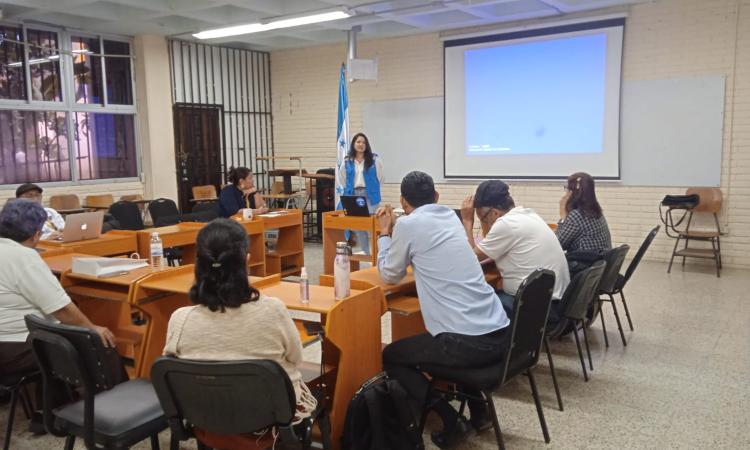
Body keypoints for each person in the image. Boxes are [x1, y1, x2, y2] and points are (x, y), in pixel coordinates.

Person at [376, 171, 510, 448]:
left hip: (468, 346)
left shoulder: (408, 225)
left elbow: (389, 274)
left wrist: (384, 233)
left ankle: (450, 418)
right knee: (456, 324)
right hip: (501, 334)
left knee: (392, 356)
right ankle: (480, 412)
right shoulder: (450, 216)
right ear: (436, 197)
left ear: (402, 200)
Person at [163, 219, 316, 448]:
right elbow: (296, 359)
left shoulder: (179, 319)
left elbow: (172, 371)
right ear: (246, 261)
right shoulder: (272, 310)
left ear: (197, 266)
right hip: (266, 424)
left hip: (208, 419)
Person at [0, 200, 116, 428]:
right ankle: (112, 411)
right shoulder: (23, 257)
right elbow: (62, 309)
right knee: (97, 342)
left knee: (57, 333)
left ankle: (50, 409)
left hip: (6, 345)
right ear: (36, 234)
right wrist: (93, 328)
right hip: (12, 348)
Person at [461, 180, 570, 317]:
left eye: (482, 219)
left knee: (470, 302)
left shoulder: (507, 224)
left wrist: (467, 221)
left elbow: (470, 259)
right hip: (553, 302)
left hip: (535, 309)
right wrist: (485, 220)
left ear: (495, 213)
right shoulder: (527, 214)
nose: (483, 223)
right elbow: (489, 238)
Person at [557, 172, 612, 275]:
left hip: (583, 270)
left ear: (572, 193)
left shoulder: (576, 215)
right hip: (599, 268)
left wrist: (563, 216)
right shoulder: (596, 211)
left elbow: (558, 244)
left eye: (567, 189)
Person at [339, 133, 383, 255]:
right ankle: (366, 252)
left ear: (366, 145)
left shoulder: (374, 159)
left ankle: (377, 254)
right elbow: (342, 178)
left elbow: (380, 178)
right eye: (358, 142)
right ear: (353, 144)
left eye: (363, 142)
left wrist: (372, 188)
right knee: (359, 226)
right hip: (354, 194)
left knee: (373, 224)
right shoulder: (347, 161)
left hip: (370, 194)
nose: (361, 144)